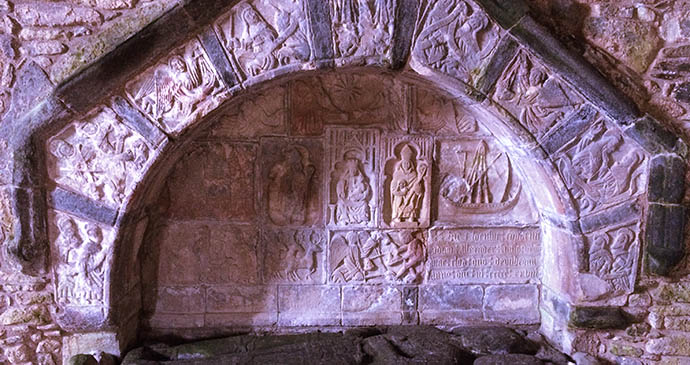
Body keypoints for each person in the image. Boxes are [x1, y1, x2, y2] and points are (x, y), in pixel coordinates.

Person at [390, 144, 426, 223]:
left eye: (408, 163)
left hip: (410, 195)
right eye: (404, 163)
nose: (406, 165)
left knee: (412, 198)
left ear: (411, 163)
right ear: (401, 163)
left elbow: (417, 185)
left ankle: (411, 216)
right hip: (400, 194)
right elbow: (393, 189)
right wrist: (401, 192)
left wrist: (417, 188)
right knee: (398, 199)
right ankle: (397, 216)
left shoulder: (414, 174)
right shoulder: (397, 174)